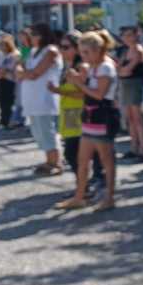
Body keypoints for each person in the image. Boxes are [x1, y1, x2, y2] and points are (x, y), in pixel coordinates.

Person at [56, 32, 118, 212]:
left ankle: (109, 198)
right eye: (81, 52)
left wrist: (78, 83)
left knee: (106, 160)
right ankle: (79, 197)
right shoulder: (93, 66)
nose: (82, 56)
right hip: (90, 116)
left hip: (103, 116)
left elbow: (99, 94)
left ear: (98, 50)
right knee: (82, 160)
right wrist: (76, 78)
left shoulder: (106, 67)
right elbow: (86, 89)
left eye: (86, 52)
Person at [49, 32, 104, 194]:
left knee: (73, 153)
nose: (62, 50)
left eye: (66, 47)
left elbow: (83, 93)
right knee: (74, 153)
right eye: (60, 47)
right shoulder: (67, 65)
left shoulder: (82, 67)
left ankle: (89, 184)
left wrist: (58, 91)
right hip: (68, 113)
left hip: (79, 113)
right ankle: (84, 185)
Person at [18, 23, 63, 175]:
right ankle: (48, 160)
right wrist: (23, 72)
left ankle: (56, 162)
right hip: (32, 99)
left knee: (47, 131)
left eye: (32, 35)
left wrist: (23, 73)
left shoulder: (50, 51)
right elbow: (21, 68)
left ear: (41, 35)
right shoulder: (33, 51)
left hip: (44, 98)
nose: (30, 38)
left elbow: (35, 73)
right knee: (38, 132)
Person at [116, 25, 143, 161]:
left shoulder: (138, 50)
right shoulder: (125, 50)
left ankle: (142, 150)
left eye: (130, 35)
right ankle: (133, 147)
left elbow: (127, 70)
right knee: (129, 118)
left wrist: (122, 70)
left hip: (135, 84)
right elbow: (119, 70)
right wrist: (121, 71)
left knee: (137, 118)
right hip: (125, 84)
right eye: (124, 35)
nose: (126, 38)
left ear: (136, 35)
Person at [0, 34, 19, 130]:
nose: (1, 47)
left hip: (9, 80)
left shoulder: (14, 55)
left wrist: (1, 72)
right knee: (1, 102)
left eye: (3, 45)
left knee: (8, 103)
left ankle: (8, 121)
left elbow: (9, 68)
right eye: (0, 45)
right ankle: (3, 120)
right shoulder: (0, 55)